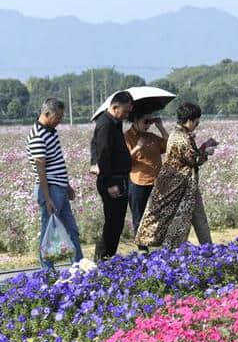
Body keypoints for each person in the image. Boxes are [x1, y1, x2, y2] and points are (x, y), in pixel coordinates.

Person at [135, 102, 216, 249]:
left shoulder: (180, 134)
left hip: (184, 184)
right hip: (179, 185)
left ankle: (207, 248)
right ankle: (177, 251)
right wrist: (206, 152)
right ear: (190, 120)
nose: (198, 124)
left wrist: (201, 147)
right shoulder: (181, 137)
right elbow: (194, 159)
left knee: (198, 217)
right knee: (179, 219)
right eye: (197, 121)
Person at [26, 98, 83, 269]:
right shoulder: (37, 135)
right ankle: (47, 271)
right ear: (46, 114)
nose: (60, 120)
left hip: (59, 187)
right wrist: (47, 197)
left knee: (72, 228)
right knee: (48, 231)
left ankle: (78, 266)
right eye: (58, 116)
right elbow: (40, 170)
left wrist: (66, 185)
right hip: (49, 189)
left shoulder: (51, 131)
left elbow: (56, 163)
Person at [91, 91, 134, 261]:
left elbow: (93, 146)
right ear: (115, 107)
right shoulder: (106, 124)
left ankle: (107, 257)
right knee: (113, 222)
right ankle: (103, 259)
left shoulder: (114, 123)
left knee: (116, 222)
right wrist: (109, 183)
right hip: (111, 180)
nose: (127, 115)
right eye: (125, 111)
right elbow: (102, 154)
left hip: (118, 177)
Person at [124, 105, 169, 251]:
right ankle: (142, 250)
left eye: (151, 121)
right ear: (136, 120)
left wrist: (161, 127)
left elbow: (169, 146)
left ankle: (157, 246)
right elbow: (123, 161)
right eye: (146, 121)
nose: (149, 124)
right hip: (138, 182)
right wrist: (137, 148)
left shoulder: (151, 136)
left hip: (156, 181)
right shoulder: (127, 137)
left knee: (157, 216)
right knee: (139, 217)